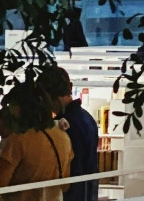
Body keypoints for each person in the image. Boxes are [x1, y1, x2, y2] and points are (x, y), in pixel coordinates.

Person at [0, 82, 74, 201]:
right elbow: (65, 185)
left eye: (11, 105)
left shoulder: (18, 139)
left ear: (21, 107)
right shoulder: (63, 137)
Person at [38, 67, 98, 201]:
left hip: (70, 194)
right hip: (88, 192)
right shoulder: (87, 118)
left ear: (48, 95)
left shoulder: (62, 125)